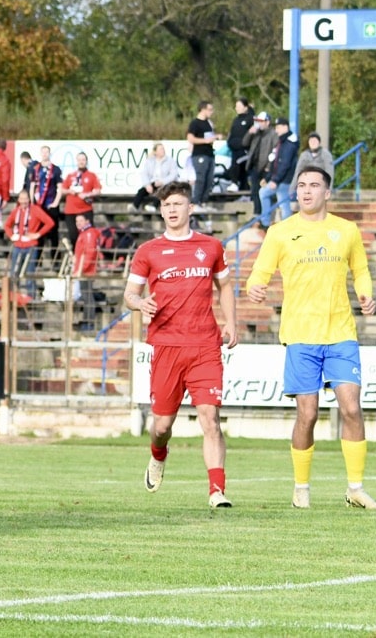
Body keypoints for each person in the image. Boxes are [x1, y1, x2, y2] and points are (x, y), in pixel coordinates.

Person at [246, 165, 376, 510]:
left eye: (314, 185)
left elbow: (360, 270)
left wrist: (366, 295)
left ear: (327, 193)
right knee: (307, 415)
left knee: (351, 407)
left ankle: (355, 488)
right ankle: (301, 488)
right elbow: (257, 275)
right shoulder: (279, 232)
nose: (306, 191)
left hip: (340, 333)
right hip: (300, 335)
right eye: (301, 185)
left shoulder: (346, 230)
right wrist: (255, 289)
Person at [123, 182, 237, 508]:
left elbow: (225, 285)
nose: (172, 210)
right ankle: (158, 455)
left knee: (210, 419)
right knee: (161, 426)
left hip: (205, 346)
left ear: (190, 208)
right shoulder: (148, 252)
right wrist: (139, 303)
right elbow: (130, 294)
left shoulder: (211, 246)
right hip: (167, 347)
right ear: (161, 210)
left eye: (178, 204)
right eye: (167, 205)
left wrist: (231, 321)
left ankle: (217, 490)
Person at [3, 189, 53, 296]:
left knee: (30, 273)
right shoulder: (16, 211)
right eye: (21, 199)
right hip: (17, 246)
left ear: (29, 200)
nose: (23, 201)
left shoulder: (35, 210)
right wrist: (12, 236)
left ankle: (31, 297)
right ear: (19, 200)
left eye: (25, 199)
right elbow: (7, 225)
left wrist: (38, 234)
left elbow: (50, 222)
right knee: (14, 273)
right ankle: (13, 296)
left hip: (31, 246)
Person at [257, 118, 299, 228]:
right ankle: (265, 222)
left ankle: (287, 227)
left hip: (284, 180)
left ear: (285, 127)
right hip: (279, 179)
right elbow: (275, 162)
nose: (276, 130)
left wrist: (275, 180)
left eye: (278, 127)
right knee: (264, 193)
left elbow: (285, 164)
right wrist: (267, 178)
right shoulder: (282, 142)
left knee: (283, 203)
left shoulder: (289, 143)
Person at [56, 151, 100, 245]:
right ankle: (76, 255)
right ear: (76, 161)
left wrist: (87, 194)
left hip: (86, 209)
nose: (81, 162)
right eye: (79, 160)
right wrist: (69, 191)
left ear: (86, 161)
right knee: (73, 235)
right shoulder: (70, 176)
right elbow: (62, 190)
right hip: (71, 211)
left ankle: (88, 256)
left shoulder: (91, 175)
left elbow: (97, 190)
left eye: (83, 160)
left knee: (88, 234)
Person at [29, 145, 62, 266]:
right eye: (43, 152)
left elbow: (60, 188)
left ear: (49, 153)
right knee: (39, 233)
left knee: (54, 234)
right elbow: (32, 186)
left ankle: (55, 260)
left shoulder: (56, 169)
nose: (45, 154)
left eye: (47, 152)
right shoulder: (36, 169)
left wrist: (55, 203)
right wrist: (32, 202)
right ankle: (38, 259)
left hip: (51, 205)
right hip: (39, 206)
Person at [186, 100, 219, 209]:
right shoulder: (195, 123)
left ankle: (204, 201)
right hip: (200, 154)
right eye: (210, 110)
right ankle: (196, 202)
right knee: (201, 178)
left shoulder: (209, 123)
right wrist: (205, 141)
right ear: (203, 110)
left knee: (209, 179)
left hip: (209, 154)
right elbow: (190, 138)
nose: (212, 112)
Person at [71, 213, 101, 329]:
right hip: (83, 270)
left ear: (87, 221)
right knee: (85, 296)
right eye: (76, 221)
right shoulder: (84, 233)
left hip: (86, 272)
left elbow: (90, 253)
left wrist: (81, 270)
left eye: (80, 220)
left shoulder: (89, 233)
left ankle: (89, 322)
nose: (78, 223)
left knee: (87, 296)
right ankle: (87, 321)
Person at [244, 111, 275, 220]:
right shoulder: (256, 133)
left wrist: (269, 166)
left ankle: (264, 216)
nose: (259, 123)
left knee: (264, 192)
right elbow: (244, 143)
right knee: (255, 191)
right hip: (255, 166)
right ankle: (257, 213)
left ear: (267, 122)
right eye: (258, 121)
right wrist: (249, 133)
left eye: (261, 121)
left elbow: (274, 151)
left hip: (265, 167)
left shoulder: (273, 134)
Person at [133, 142, 180, 211]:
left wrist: (163, 182)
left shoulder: (170, 161)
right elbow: (144, 173)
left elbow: (174, 175)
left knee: (161, 190)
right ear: (155, 152)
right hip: (154, 183)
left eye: (163, 149)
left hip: (166, 184)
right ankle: (134, 206)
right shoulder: (150, 161)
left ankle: (154, 206)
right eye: (161, 149)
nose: (163, 150)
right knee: (142, 191)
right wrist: (147, 185)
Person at [226, 98, 255, 191]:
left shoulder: (250, 119)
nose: (236, 108)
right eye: (236, 106)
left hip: (244, 150)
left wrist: (243, 145)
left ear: (245, 107)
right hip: (234, 149)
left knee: (239, 165)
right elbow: (232, 134)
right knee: (240, 171)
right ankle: (242, 188)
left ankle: (235, 183)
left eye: (239, 106)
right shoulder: (236, 120)